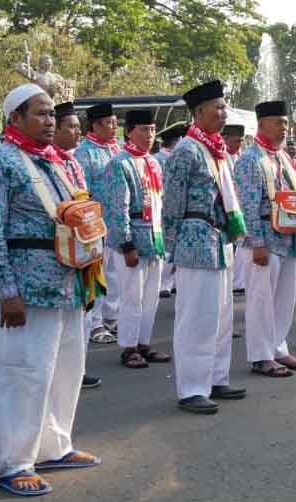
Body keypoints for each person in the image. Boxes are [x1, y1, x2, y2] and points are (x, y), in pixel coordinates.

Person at [0, 84, 103, 495]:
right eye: (41, 114)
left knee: (66, 370)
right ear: (15, 118)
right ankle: (15, 462)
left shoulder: (59, 161)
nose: (51, 121)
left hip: (68, 282)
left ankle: (54, 445)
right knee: (23, 374)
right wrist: (5, 290)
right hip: (27, 289)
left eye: (52, 114)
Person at [162, 80, 248, 414]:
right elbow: (172, 203)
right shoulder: (187, 150)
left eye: (225, 107)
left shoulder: (215, 149)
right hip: (196, 241)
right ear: (198, 112)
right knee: (196, 319)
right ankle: (192, 388)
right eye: (218, 107)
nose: (224, 114)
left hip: (220, 240)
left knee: (221, 317)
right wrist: (173, 246)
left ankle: (216, 377)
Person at [235, 101, 296, 378]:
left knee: (284, 299)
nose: (284, 127)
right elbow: (247, 205)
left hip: (287, 237)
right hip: (264, 238)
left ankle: (279, 348)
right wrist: (257, 242)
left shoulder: (283, 158)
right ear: (262, 124)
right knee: (261, 301)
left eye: (286, 123)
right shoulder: (250, 159)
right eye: (279, 122)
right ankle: (261, 356)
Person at [99, 109, 174, 370]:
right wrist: (126, 244)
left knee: (151, 297)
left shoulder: (152, 162)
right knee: (132, 296)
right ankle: (128, 347)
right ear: (129, 132)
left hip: (155, 237)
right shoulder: (120, 163)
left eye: (152, 130)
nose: (149, 135)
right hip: (132, 238)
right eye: (143, 129)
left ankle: (144, 343)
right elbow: (117, 208)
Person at [51, 101, 102, 390]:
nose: (77, 131)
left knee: (83, 314)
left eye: (77, 126)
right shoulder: (50, 162)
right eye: (71, 126)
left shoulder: (72, 161)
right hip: (62, 247)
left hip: (85, 241)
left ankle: (77, 370)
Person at [75, 103, 121, 344]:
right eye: (109, 123)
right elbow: (82, 192)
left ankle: (112, 317)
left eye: (115, 123)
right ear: (95, 125)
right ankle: (95, 323)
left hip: (116, 224)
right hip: (95, 225)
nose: (114, 127)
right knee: (96, 275)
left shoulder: (116, 149)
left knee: (114, 273)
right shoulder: (84, 153)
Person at [155, 124, 186, 298]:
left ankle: (172, 283)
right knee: (168, 244)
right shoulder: (160, 159)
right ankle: (164, 284)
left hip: (171, 205)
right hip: (165, 205)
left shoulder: (167, 157)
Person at [223, 123, 247, 295]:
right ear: (226, 138)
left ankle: (238, 282)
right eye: (236, 140)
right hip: (226, 207)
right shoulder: (221, 156)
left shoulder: (242, 157)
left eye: (241, 141)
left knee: (240, 245)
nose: (239, 144)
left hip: (241, 207)